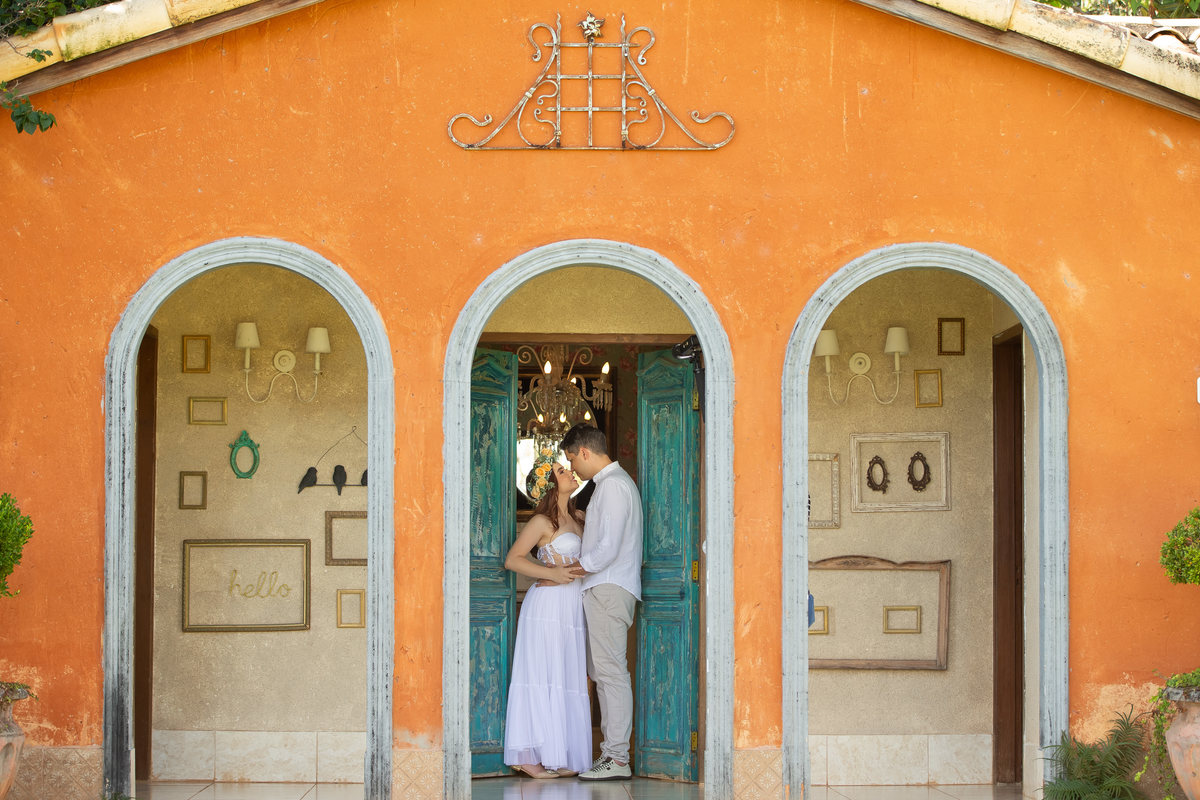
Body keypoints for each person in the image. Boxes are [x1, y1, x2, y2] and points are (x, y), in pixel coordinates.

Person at [560, 422, 642, 782]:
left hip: (608, 587)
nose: (573, 468)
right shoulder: (610, 485)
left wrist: (576, 568)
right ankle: (612, 755)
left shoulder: (612, 486)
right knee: (604, 674)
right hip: (604, 587)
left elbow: (606, 547)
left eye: (571, 459)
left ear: (585, 452)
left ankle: (617, 758)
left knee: (611, 674)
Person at [501, 458, 593, 779]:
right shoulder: (542, 522)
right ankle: (529, 757)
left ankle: (561, 752)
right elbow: (513, 559)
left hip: (572, 608)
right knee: (543, 674)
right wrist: (550, 572)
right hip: (546, 608)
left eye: (568, 468)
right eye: (561, 471)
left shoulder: (579, 518)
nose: (570, 472)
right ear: (550, 483)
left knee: (567, 675)